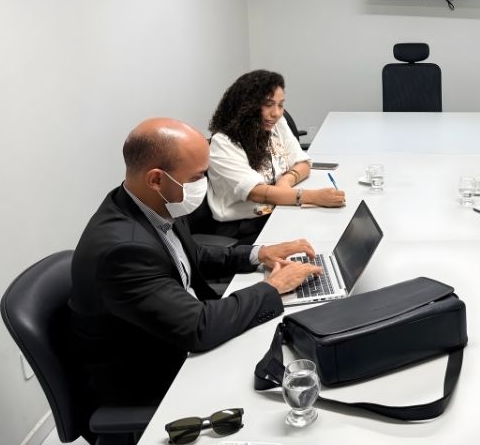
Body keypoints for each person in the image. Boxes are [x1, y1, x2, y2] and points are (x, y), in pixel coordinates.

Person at [69, 118, 323, 406]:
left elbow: (191, 254)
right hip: (152, 376)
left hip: (181, 332)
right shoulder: (122, 251)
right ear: (156, 179)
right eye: (197, 177)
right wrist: (273, 287)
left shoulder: (149, 202)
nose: (204, 184)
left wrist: (258, 253)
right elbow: (198, 328)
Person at [207, 70, 345, 243]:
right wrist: (313, 197)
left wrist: (285, 181)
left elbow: (303, 163)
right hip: (244, 228)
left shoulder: (275, 125)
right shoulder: (223, 143)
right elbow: (256, 193)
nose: (276, 113)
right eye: (268, 104)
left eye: (280, 105)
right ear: (246, 105)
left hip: (277, 210)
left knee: (327, 232)